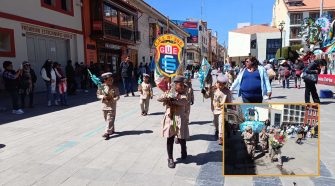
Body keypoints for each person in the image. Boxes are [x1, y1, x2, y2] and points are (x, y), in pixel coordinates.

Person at [158, 76, 189, 168]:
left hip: (180, 118)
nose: (182, 87)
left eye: (183, 85)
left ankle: (184, 149)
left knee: (181, 138)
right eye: (180, 85)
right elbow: (159, 99)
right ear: (175, 85)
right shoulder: (169, 91)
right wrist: (167, 95)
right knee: (170, 138)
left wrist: (174, 98)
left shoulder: (184, 94)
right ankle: (170, 158)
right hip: (170, 118)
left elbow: (183, 102)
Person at [97, 72, 120, 140]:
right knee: (107, 119)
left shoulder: (115, 87)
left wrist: (114, 98)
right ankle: (111, 130)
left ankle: (107, 133)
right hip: (104, 106)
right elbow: (98, 95)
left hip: (112, 106)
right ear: (105, 80)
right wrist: (103, 97)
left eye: (111, 79)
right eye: (109, 80)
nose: (111, 81)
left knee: (110, 119)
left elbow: (118, 96)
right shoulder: (101, 87)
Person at [213, 75, 232, 145]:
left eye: (222, 84)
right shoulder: (215, 90)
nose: (220, 86)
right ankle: (220, 131)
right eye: (219, 84)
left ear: (225, 84)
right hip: (215, 110)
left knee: (221, 123)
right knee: (216, 123)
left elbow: (229, 102)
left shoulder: (227, 92)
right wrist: (204, 92)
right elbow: (208, 95)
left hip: (223, 110)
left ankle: (221, 138)